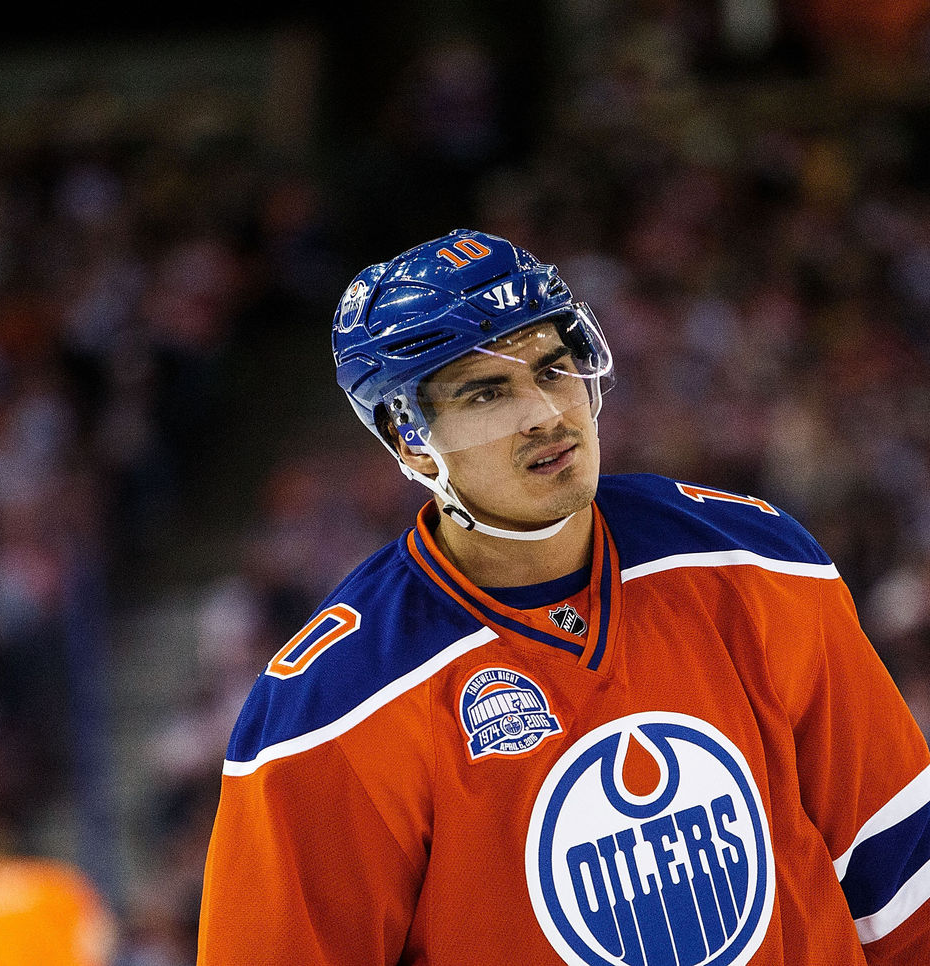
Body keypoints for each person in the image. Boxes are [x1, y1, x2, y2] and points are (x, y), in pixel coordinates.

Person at [196, 228, 930, 965]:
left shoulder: (755, 563)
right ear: (410, 437)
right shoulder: (331, 709)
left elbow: (902, 882)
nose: (546, 413)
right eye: (488, 392)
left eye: (552, 368)